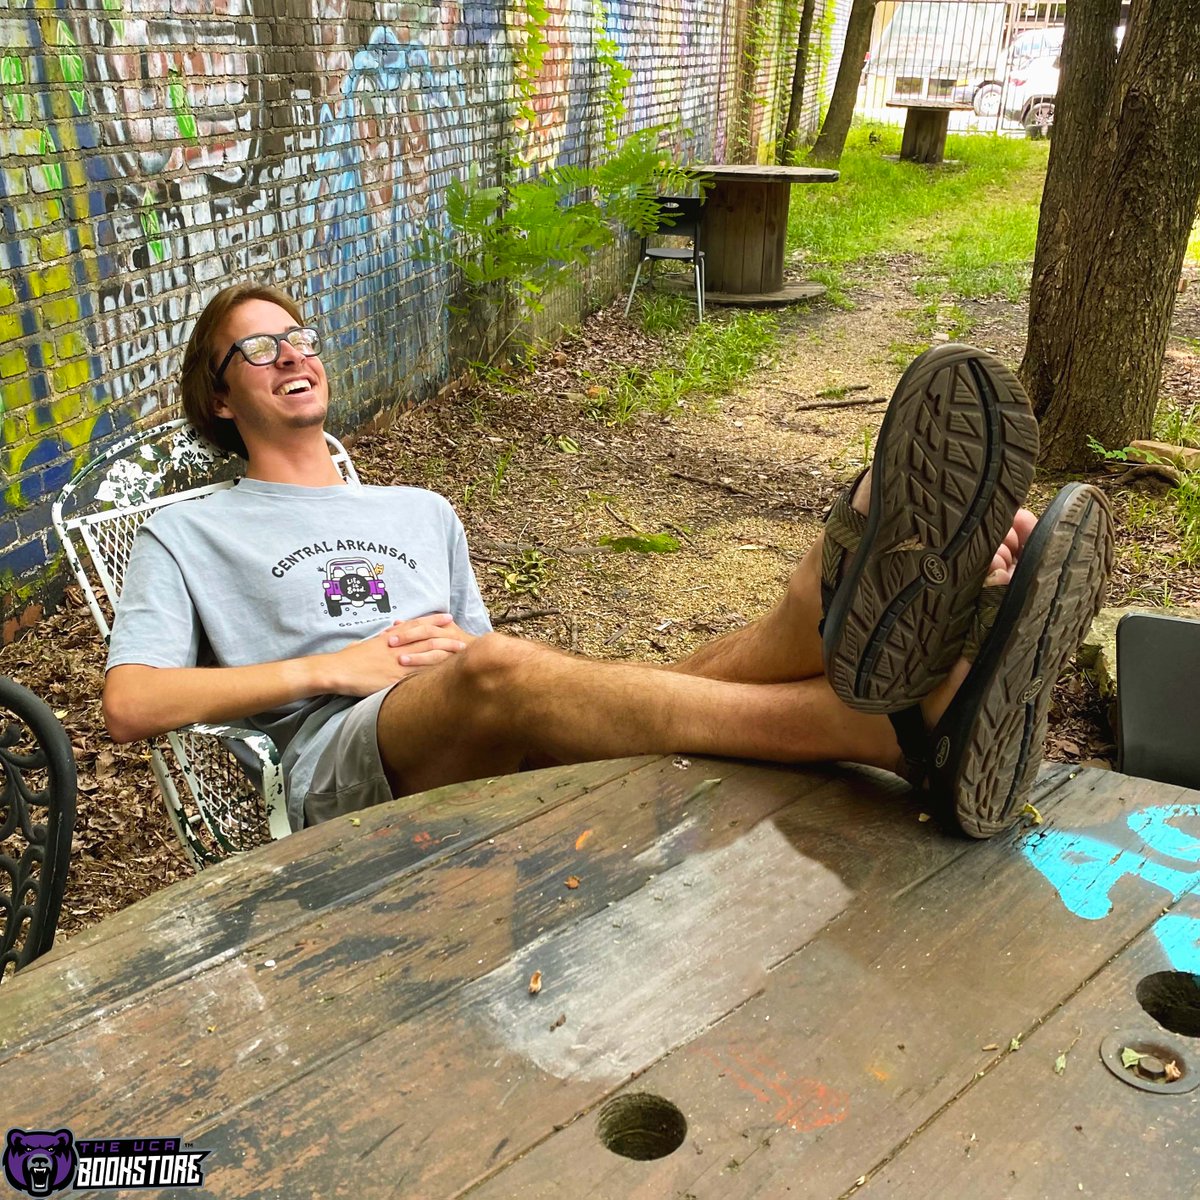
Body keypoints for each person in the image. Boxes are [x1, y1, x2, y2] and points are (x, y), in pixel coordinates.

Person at [103, 283, 1114, 838]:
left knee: (561, 670)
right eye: (259, 349)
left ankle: (853, 614)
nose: (293, 355)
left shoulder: (420, 509)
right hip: (334, 756)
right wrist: (336, 668)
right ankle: (900, 711)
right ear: (219, 396)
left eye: (300, 338)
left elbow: (529, 690)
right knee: (504, 671)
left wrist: (479, 674)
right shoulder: (189, 531)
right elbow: (129, 704)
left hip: (471, 720)